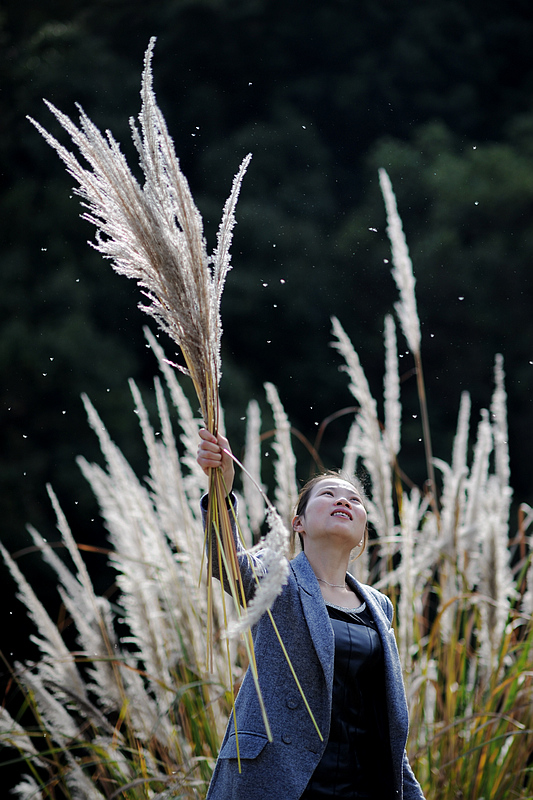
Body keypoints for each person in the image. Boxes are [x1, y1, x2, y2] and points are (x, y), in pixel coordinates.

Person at [197, 428, 426, 800]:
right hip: (280, 779)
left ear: (363, 533)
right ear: (297, 523)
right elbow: (227, 561)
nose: (344, 501)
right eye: (328, 494)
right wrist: (221, 492)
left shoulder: (378, 604)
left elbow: (380, 713)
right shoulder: (277, 580)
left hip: (361, 783)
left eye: (354, 499)